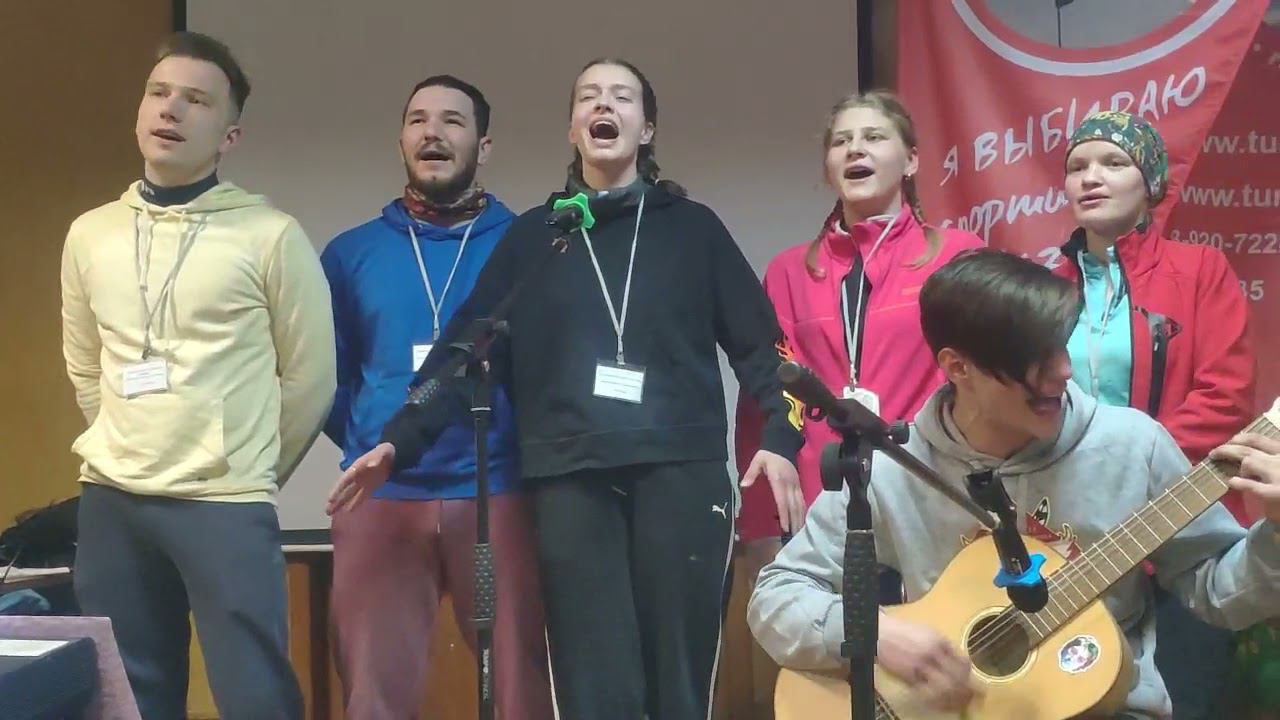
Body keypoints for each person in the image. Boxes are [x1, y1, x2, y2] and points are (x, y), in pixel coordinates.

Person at [327, 58, 802, 720]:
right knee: (593, 690)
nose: (604, 106)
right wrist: (396, 443)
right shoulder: (535, 238)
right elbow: (464, 353)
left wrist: (781, 437)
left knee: (679, 686)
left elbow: (767, 351)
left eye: (622, 97)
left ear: (646, 128)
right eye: (589, 97)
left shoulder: (694, 228)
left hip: (681, 477)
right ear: (573, 127)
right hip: (570, 483)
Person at [748, 249, 1280, 719]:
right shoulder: (895, 469)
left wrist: (1277, 532)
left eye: (1062, 348)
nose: (1064, 372)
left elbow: (1220, 593)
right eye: (1035, 360)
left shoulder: (1132, 447)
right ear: (958, 367)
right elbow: (776, 596)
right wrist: (876, 633)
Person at [61, 32, 333, 719]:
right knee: (129, 696)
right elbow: (85, 362)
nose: (171, 110)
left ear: (229, 135)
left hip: (223, 503)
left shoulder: (270, 235)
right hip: (113, 498)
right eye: (159, 93)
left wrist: (249, 465)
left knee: (254, 694)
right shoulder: (90, 233)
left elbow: (310, 379)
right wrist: (125, 438)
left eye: (196, 100)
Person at [320, 75, 553, 719]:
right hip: (381, 495)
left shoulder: (526, 245)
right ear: (400, 140)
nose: (433, 132)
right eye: (418, 120)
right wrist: (370, 434)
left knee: (521, 688)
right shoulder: (351, 253)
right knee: (373, 693)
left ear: (484, 145)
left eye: (453, 121)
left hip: (499, 490)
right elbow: (327, 378)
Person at [735, 90, 984, 583]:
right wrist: (760, 524)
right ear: (828, 168)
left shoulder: (958, 256)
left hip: (930, 494)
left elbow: (986, 382)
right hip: (821, 505)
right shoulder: (789, 273)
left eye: (873, 137)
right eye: (841, 142)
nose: (855, 149)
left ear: (911, 161)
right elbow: (765, 400)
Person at [1056, 110, 1257, 719]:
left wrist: (1131, 470)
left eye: (1113, 163)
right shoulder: (1044, 285)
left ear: (1150, 183)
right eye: (1077, 166)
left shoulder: (1199, 269)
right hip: (1073, 537)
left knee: (1189, 699)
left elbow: (1225, 396)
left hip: (1180, 519)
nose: (1091, 177)